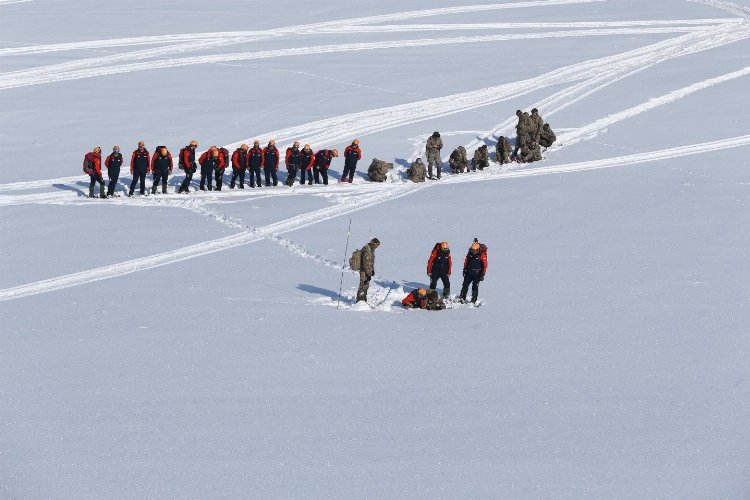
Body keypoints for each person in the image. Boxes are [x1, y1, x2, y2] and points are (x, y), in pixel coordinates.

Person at [459, 239, 488, 304]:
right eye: (473, 250)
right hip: (469, 272)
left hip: (477, 273)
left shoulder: (482, 254)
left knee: (475, 287)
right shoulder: (470, 253)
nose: (474, 252)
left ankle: (474, 299)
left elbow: (485, 265)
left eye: (475, 251)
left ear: (478, 249)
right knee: (465, 285)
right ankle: (462, 298)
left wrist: (483, 274)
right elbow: (466, 261)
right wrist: (464, 269)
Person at [356, 237, 380, 303]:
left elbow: (371, 262)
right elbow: (366, 264)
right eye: (376, 245)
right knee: (363, 285)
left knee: (366, 285)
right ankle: (360, 300)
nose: (377, 247)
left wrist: (372, 270)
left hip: (367, 271)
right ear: (373, 243)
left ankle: (363, 299)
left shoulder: (371, 249)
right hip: (364, 271)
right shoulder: (367, 250)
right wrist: (368, 274)